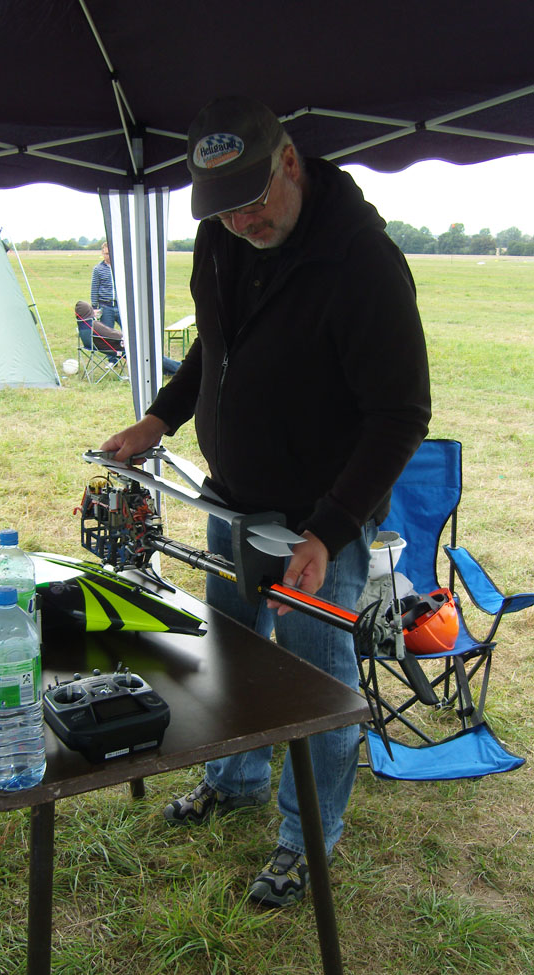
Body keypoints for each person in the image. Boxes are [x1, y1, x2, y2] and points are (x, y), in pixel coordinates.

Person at [100, 96, 431, 908]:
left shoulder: (361, 261)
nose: (241, 222)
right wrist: (159, 417)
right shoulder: (222, 236)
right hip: (231, 504)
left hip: (316, 524)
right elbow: (215, 347)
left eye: (251, 202)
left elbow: (400, 415)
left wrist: (329, 528)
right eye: (222, 210)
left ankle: (305, 834)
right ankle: (236, 780)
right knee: (233, 651)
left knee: (315, 683)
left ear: (289, 162)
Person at [75, 299, 124, 364]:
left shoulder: (82, 324)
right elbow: (111, 333)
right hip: (111, 348)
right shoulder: (94, 325)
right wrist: (124, 336)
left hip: (93, 346)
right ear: (89, 311)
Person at [91, 242, 121, 330]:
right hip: (106, 307)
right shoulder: (98, 269)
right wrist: (94, 307)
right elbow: (94, 289)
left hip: (121, 306)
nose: (109, 256)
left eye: (110, 253)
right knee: (107, 333)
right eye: (107, 254)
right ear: (102, 253)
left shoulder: (121, 267)